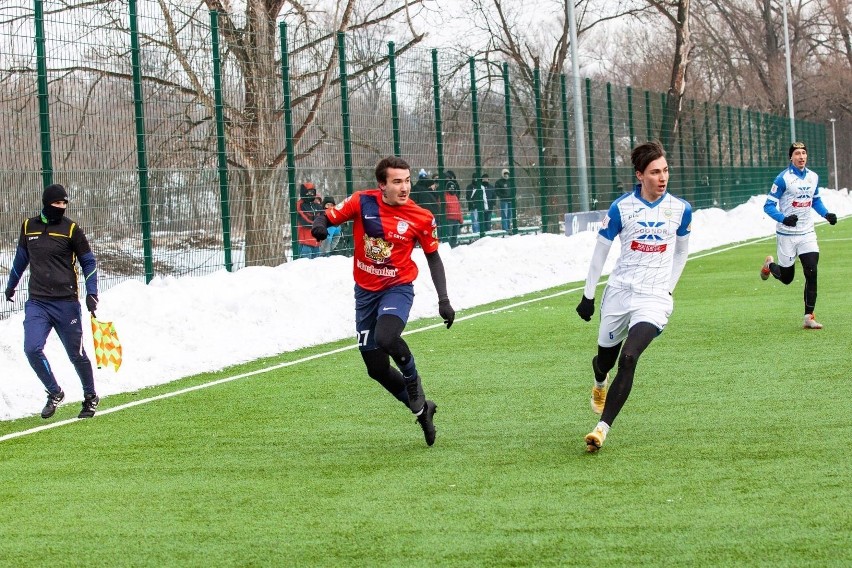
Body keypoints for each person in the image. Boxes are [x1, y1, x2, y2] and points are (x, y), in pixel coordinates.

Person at [310, 156, 456, 446]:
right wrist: (319, 226)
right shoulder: (361, 202)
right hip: (365, 294)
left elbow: (433, 258)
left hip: (397, 288)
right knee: (375, 369)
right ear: (382, 184)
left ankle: (413, 381)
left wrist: (444, 300)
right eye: (397, 181)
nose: (404, 187)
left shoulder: (421, 217)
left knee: (387, 336)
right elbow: (327, 215)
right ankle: (422, 410)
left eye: (407, 180)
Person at [575, 141, 692, 452]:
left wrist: (669, 287)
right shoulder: (621, 208)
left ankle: (601, 429)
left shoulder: (681, 209)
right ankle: (599, 380)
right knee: (605, 361)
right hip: (619, 294)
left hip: (654, 299)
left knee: (629, 357)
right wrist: (588, 296)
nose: (662, 177)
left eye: (665, 170)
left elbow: (682, 253)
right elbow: (600, 253)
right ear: (640, 175)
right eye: (655, 172)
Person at [3, 184, 101, 419]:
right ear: (47, 203)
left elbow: (88, 262)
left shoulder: (71, 229)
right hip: (38, 302)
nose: (62, 207)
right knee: (32, 348)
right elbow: (21, 259)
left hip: (66, 303)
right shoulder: (29, 226)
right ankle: (54, 392)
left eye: (65, 203)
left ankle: (90, 396)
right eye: (58, 203)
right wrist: (11, 285)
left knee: (76, 354)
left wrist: (92, 292)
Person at [759, 141, 838, 329]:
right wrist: (783, 218)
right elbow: (768, 206)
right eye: (797, 154)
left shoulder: (813, 177)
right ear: (791, 157)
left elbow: (815, 200)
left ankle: (809, 317)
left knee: (812, 271)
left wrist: (826, 214)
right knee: (787, 278)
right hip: (786, 234)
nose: (801, 157)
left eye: (803, 153)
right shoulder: (783, 179)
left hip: (807, 232)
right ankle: (770, 265)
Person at [296, 182, 323, 259]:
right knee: (305, 266)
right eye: (308, 192)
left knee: (316, 267)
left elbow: (323, 218)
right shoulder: (300, 205)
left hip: (316, 242)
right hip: (305, 243)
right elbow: (305, 221)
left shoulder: (316, 205)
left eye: (312, 192)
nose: (310, 194)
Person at [443, 170, 464, 247]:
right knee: (449, 235)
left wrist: (461, 220)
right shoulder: (444, 196)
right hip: (449, 219)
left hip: (455, 219)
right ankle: (449, 248)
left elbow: (458, 209)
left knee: (454, 236)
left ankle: (453, 247)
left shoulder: (455, 197)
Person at [494, 168, 515, 232]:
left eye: (507, 173)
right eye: (505, 173)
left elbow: (514, 189)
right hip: (503, 201)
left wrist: (512, 196)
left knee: (509, 215)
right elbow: (497, 192)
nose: (506, 175)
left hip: (510, 200)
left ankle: (509, 228)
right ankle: (505, 229)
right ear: (502, 174)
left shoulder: (511, 181)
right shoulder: (499, 182)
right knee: (504, 215)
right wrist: (503, 196)